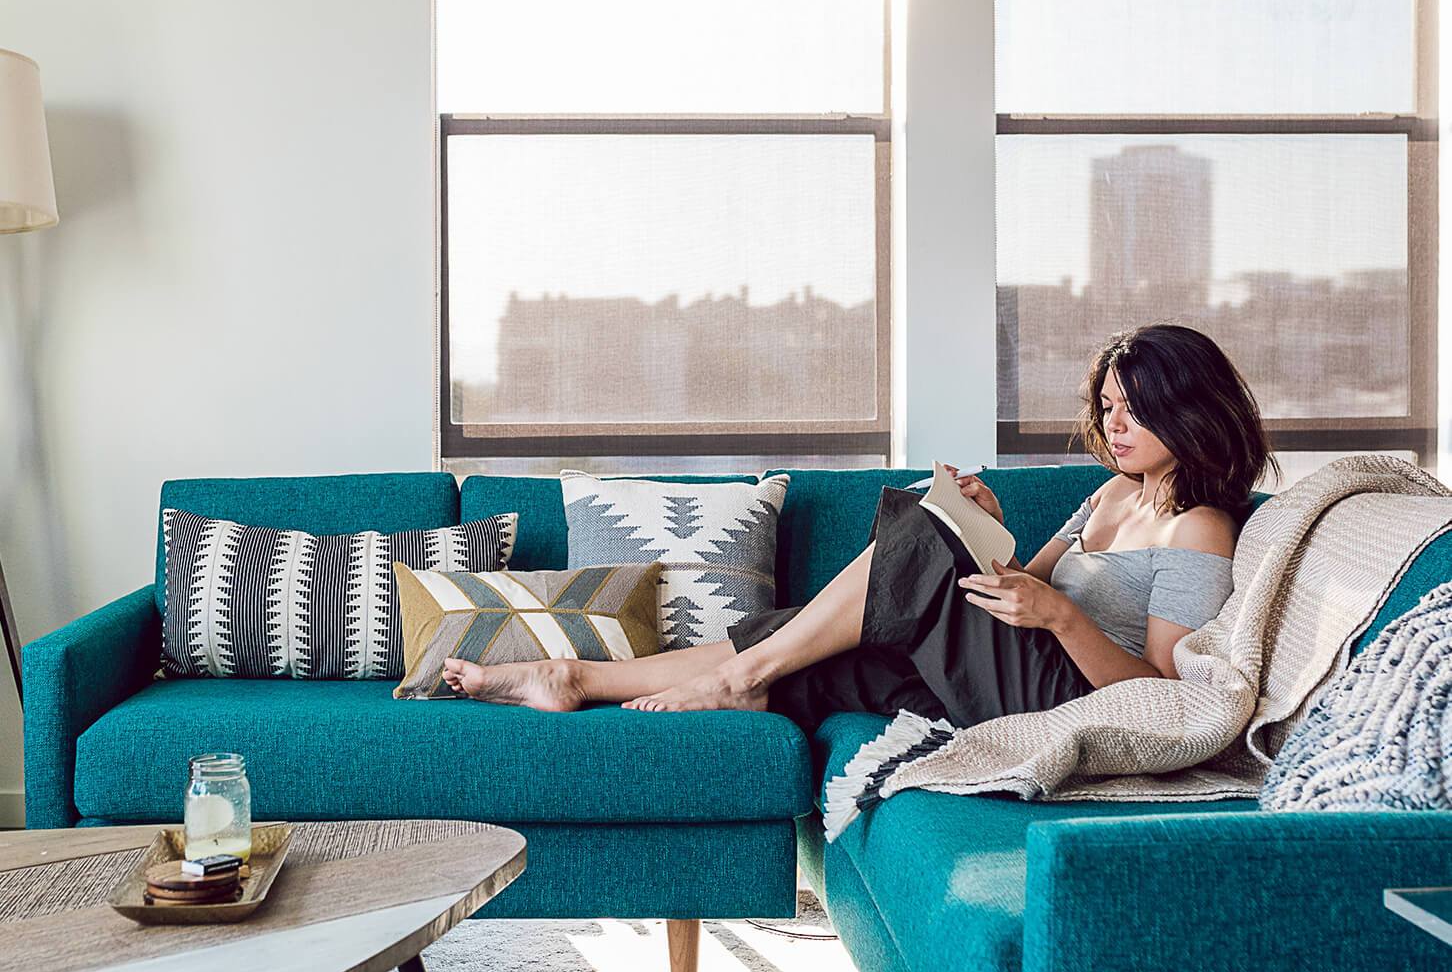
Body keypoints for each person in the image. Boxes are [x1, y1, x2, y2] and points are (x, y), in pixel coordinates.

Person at [441, 323, 1280, 732]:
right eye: (1109, 407)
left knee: (915, 526)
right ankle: (575, 679)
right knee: (831, 653)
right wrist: (991, 534)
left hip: (1067, 698)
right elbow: (1029, 578)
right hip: (1019, 663)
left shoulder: (1200, 529)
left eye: (1137, 409)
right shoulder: (1108, 497)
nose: (1118, 424)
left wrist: (1060, 616)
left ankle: (737, 676)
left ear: (1187, 407)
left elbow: (1163, 697)